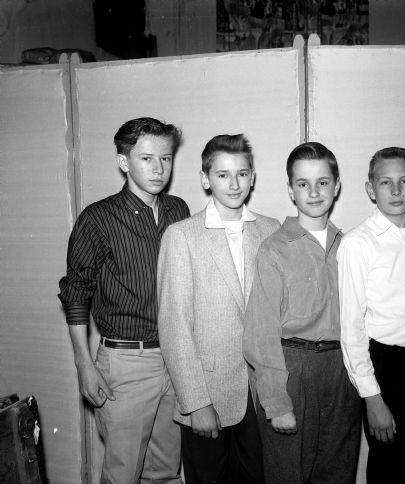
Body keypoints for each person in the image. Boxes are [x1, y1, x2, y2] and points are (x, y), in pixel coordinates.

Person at [58, 117, 190, 483]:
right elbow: (76, 293)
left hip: (174, 359)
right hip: (127, 363)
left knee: (165, 471)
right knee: (123, 473)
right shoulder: (98, 219)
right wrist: (84, 364)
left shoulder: (179, 210)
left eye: (165, 158)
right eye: (146, 158)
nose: (158, 168)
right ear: (124, 162)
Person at [157, 134, 279, 484]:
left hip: (260, 397)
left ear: (253, 177)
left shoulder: (270, 231)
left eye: (242, 173)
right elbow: (174, 325)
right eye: (223, 174)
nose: (234, 183)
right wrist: (196, 403)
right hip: (208, 394)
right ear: (205, 179)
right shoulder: (182, 235)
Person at [243, 142, 362, 484]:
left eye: (323, 182)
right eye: (303, 184)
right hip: (292, 368)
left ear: (336, 186)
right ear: (290, 191)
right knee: (287, 472)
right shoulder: (275, 249)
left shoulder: (350, 246)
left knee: (337, 470)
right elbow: (260, 333)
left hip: (342, 370)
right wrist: (276, 401)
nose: (314, 192)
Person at [337, 147, 405, 483]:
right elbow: (351, 328)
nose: (396, 191)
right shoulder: (358, 243)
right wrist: (373, 398)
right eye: (386, 182)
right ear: (371, 189)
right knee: (389, 467)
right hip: (387, 368)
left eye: (404, 181)